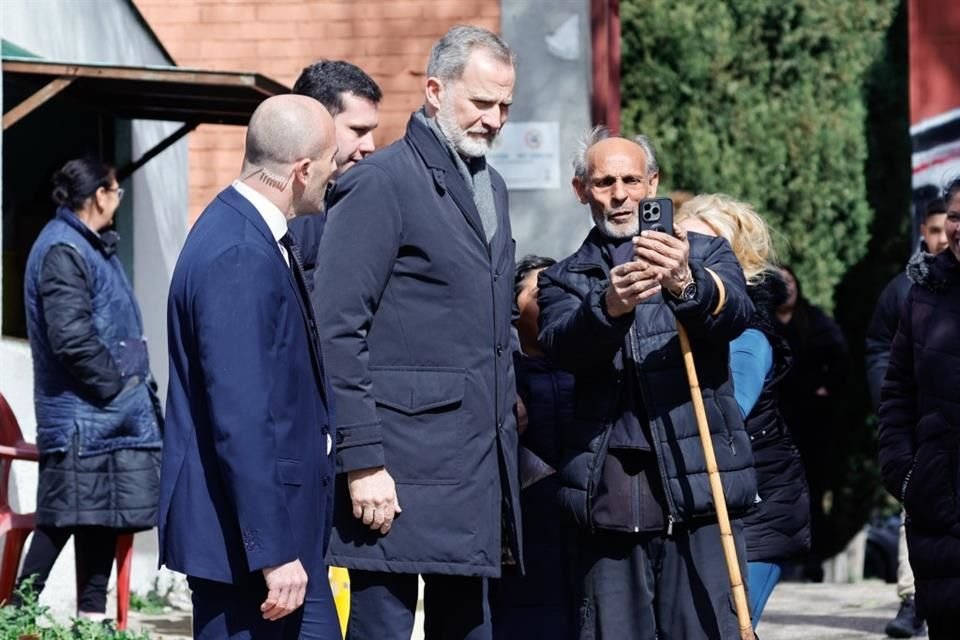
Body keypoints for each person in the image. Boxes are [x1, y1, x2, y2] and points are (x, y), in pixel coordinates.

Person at [313, 25, 520, 640]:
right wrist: (362, 460)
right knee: (381, 629)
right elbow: (337, 327)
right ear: (435, 90)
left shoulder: (492, 188)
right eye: (481, 102)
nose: (494, 119)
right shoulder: (381, 183)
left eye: (505, 105)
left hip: (473, 465)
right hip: (395, 470)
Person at [536, 128, 756, 639]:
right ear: (581, 190)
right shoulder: (566, 278)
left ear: (652, 183)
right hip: (611, 493)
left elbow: (736, 314)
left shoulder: (704, 253)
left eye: (632, 179)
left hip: (700, 485)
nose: (620, 194)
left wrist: (685, 283)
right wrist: (608, 307)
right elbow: (563, 348)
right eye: (604, 181)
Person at [160, 94, 340, 639]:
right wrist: (274, 551)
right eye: (331, 162)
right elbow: (240, 414)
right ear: (302, 170)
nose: (336, 173)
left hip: (278, 545)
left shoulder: (247, 233)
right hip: (253, 557)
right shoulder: (238, 251)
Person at [18, 157, 162, 619]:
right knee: (59, 523)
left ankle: (92, 623)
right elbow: (71, 338)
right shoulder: (63, 249)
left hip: (108, 419)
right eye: (116, 192)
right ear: (99, 194)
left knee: (101, 517)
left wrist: (141, 391)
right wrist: (119, 389)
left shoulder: (92, 247)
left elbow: (123, 330)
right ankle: (13, 615)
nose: (118, 201)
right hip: (86, 420)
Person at [677, 194, 810, 628]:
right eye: (685, 243)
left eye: (709, 247)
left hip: (758, 512)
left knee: (729, 628)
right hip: (704, 509)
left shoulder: (749, 330)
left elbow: (728, 412)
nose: (694, 257)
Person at [878, 176, 960, 639]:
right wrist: (905, 473)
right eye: (955, 216)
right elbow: (898, 391)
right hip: (939, 504)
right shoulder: (923, 294)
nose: (959, 228)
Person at [489, 256, 576, 640]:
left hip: (577, 538)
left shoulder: (587, 365)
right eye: (542, 292)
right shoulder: (500, 372)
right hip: (521, 545)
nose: (554, 301)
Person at [775, 264, 849, 581]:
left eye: (790, 280)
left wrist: (825, 387)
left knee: (812, 490)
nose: (786, 287)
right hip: (773, 419)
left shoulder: (814, 320)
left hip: (811, 421)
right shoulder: (760, 319)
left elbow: (840, 357)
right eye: (779, 282)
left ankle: (813, 557)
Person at [287, 59, 382, 291]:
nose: (369, 145)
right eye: (358, 131)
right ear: (318, 123)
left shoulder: (357, 199)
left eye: (371, 131)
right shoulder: (289, 213)